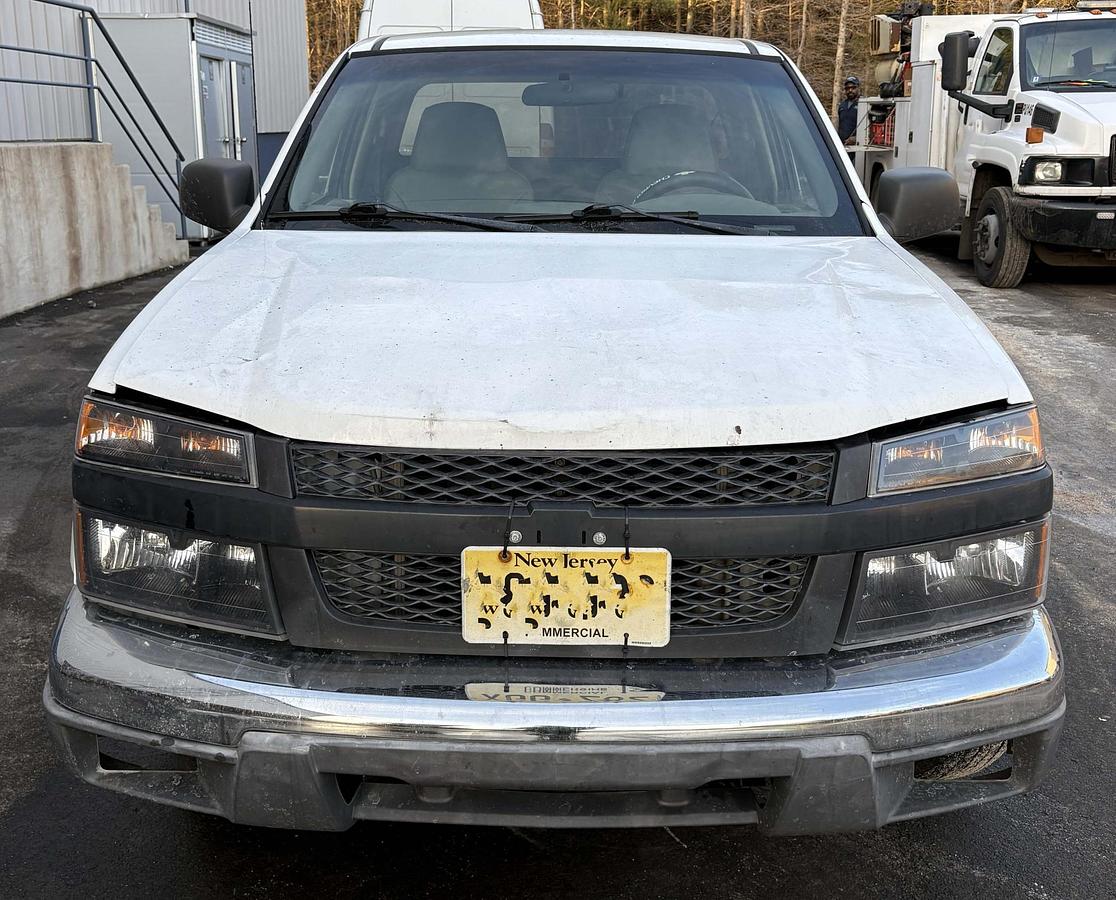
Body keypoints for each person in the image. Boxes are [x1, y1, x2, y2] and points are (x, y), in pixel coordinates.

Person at [837, 75, 860, 146]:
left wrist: (856, 138)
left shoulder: (863, 104)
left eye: (853, 88)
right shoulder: (842, 105)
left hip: (857, 147)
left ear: (858, 88)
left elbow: (868, 129)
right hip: (842, 145)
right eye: (847, 88)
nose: (850, 90)